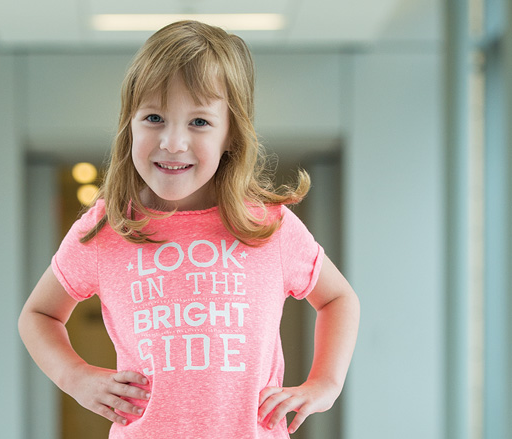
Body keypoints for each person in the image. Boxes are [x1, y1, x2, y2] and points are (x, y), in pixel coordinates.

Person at [18, 20, 360, 438]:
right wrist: (77, 378)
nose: (173, 142)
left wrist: (325, 383)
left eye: (199, 122)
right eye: (154, 117)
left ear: (230, 134)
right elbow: (37, 315)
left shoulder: (266, 224)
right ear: (129, 124)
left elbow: (339, 298)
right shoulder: (108, 227)